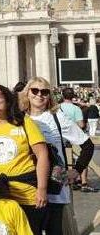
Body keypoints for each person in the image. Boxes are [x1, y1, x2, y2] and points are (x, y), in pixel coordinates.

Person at [18, 77, 96, 234]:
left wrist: (77, 170)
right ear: (27, 93)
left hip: (55, 189)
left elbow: (87, 145)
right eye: (35, 91)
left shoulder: (57, 118)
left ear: (49, 96)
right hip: (27, 187)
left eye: (44, 92)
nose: (39, 95)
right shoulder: (18, 119)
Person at [0, 84, 49, 235]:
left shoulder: (24, 122)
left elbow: (42, 155)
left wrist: (42, 189)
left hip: (26, 193)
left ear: (7, 100)